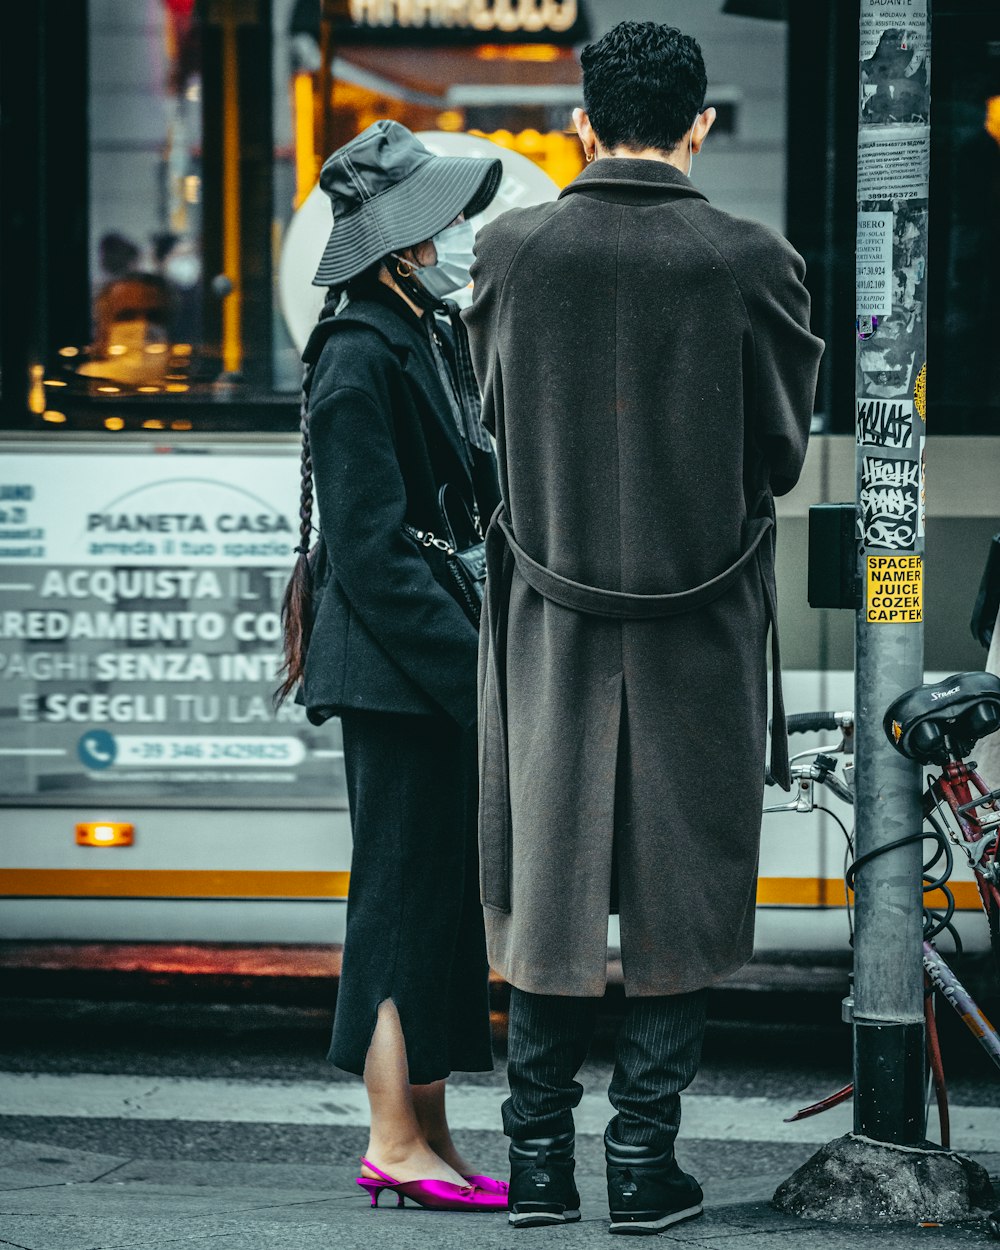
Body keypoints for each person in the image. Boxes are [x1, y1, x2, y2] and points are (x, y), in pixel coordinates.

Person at [463, 21, 824, 1234]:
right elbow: (777, 453)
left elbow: (492, 428)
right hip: (695, 622)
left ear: (580, 121)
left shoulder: (511, 250)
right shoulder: (749, 258)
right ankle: (638, 1163)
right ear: (698, 123)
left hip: (546, 622)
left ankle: (536, 1166)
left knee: (549, 884)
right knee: (680, 888)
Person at [277, 120, 507, 1213]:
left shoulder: (426, 328)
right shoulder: (359, 349)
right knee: (397, 906)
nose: (464, 235)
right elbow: (370, 551)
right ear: (406, 244)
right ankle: (389, 1137)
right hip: (395, 673)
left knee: (437, 912)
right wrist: (475, 675)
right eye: (450, 220)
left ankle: (432, 1132)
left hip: (424, 669)